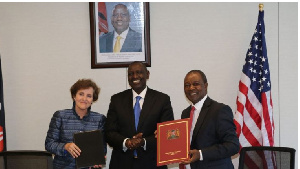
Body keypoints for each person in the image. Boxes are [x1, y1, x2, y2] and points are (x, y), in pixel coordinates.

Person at [105, 61, 174, 169]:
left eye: (139, 72)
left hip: (152, 163)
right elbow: (109, 132)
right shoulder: (116, 100)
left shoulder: (162, 100)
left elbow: (168, 134)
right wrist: (126, 142)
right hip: (122, 163)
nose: (135, 76)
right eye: (131, 73)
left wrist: (143, 142)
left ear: (147, 74)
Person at [180, 70, 239, 169]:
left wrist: (201, 154)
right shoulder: (185, 113)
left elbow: (232, 146)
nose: (191, 88)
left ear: (205, 86)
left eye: (196, 84)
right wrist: (164, 137)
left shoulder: (219, 110)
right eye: (187, 85)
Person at [45, 79, 106, 169]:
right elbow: (49, 144)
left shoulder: (100, 119)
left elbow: (102, 148)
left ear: (93, 99)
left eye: (89, 96)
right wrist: (65, 146)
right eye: (81, 94)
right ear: (74, 96)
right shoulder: (60, 116)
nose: (84, 99)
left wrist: (98, 160)